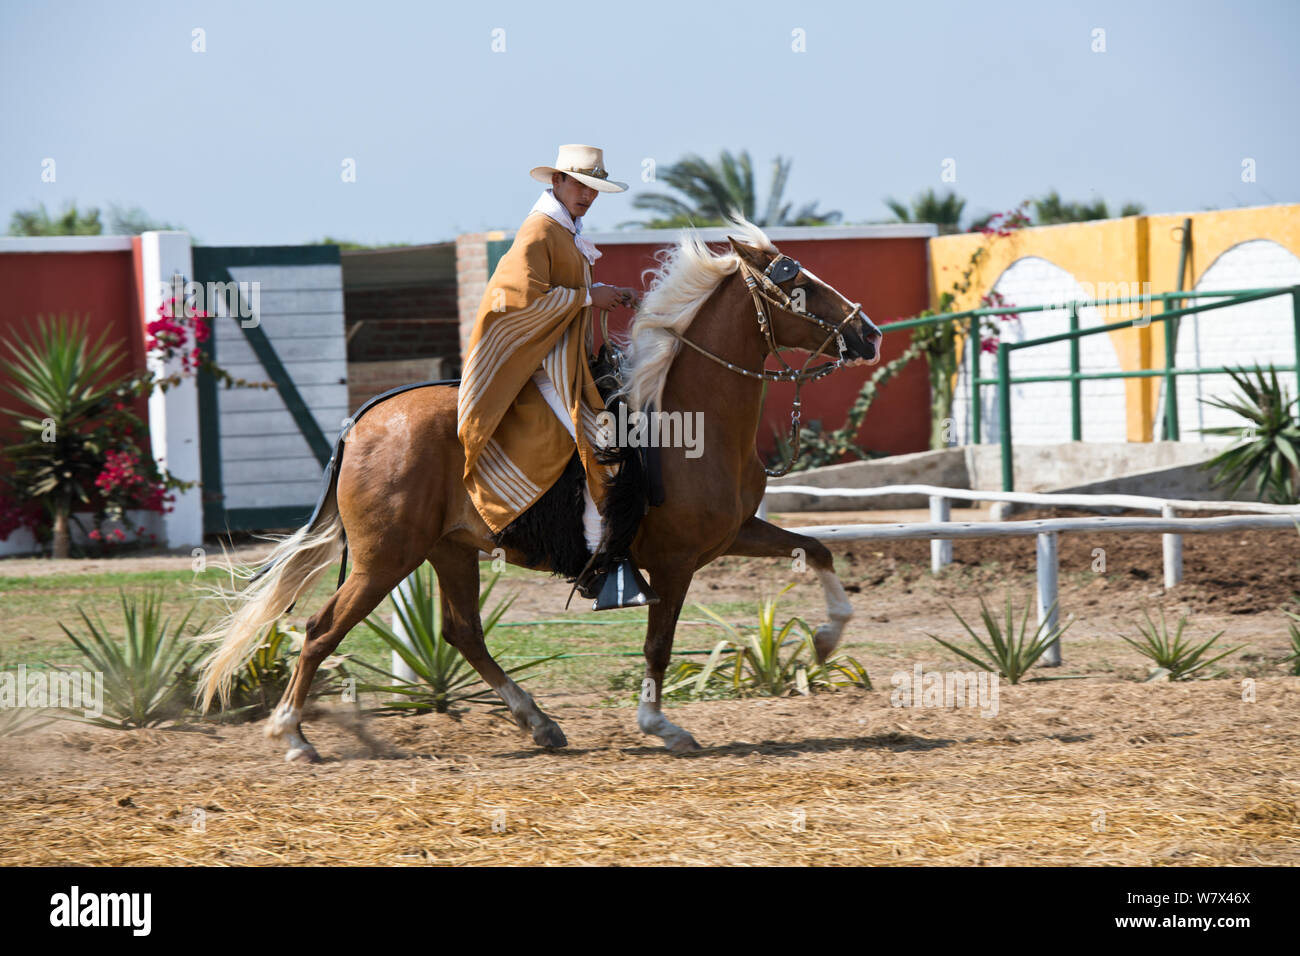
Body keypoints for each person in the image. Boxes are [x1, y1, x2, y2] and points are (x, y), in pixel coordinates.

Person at [457, 144, 656, 610]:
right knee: (603, 445)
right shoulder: (539, 231)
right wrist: (590, 296)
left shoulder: (566, 230)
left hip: (564, 365)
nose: (587, 195)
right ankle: (595, 562)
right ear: (557, 183)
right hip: (538, 370)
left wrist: (608, 295)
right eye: (579, 185)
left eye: (594, 188)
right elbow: (514, 305)